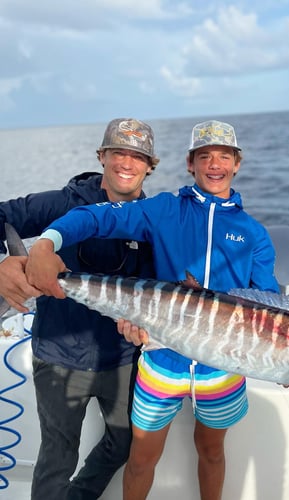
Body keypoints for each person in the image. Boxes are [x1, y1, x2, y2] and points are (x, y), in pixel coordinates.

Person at [24, 119, 280, 500]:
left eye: (224, 156)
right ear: (190, 163)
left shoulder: (254, 233)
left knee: (212, 453)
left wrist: (282, 357)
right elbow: (99, 216)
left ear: (237, 163)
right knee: (141, 458)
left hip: (222, 368)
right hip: (162, 363)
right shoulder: (164, 210)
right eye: (204, 156)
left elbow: (267, 304)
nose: (214, 164)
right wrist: (48, 242)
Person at [0, 118, 158, 499]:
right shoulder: (63, 203)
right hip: (57, 353)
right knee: (58, 456)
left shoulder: (154, 219)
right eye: (118, 152)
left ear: (150, 166)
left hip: (121, 358)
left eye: (137, 156)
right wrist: (3, 263)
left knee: (123, 444)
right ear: (101, 156)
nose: (126, 162)